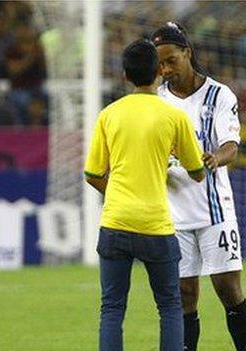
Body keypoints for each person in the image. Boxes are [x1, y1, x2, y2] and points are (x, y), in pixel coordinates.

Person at [84, 39, 205, 351]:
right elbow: (197, 172)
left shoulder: (109, 115)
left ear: (125, 75)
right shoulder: (175, 117)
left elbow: (92, 173)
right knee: (169, 307)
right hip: (156, 225)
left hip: (116, 221)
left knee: (112, 308)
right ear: (159, 72)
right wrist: (174, 157)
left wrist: (120, 193)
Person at [152, 22, 246, 351]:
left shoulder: (219, 95)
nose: (165, 70)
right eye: (160, 64)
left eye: (171, 60)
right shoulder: (155, 102)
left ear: (187, 53)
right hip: (172, 216)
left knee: (228, 290)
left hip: (214, 212)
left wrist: (215, 159)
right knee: (184, 295)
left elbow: (230, 144)